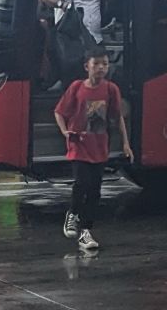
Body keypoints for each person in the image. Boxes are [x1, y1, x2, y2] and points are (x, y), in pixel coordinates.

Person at [53, 48, 133, 250]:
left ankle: (86, 231)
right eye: (96, 63)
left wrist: (125, 143)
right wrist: (65, 132)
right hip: (79, 145)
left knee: (95, 191)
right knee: (81, 183)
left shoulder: (111, 89)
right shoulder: (77, 87)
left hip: (99, 147)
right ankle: (72, 213)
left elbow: (117, 117)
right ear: (86, 66)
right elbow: (59, 111)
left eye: (105, 64)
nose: (101, 68)